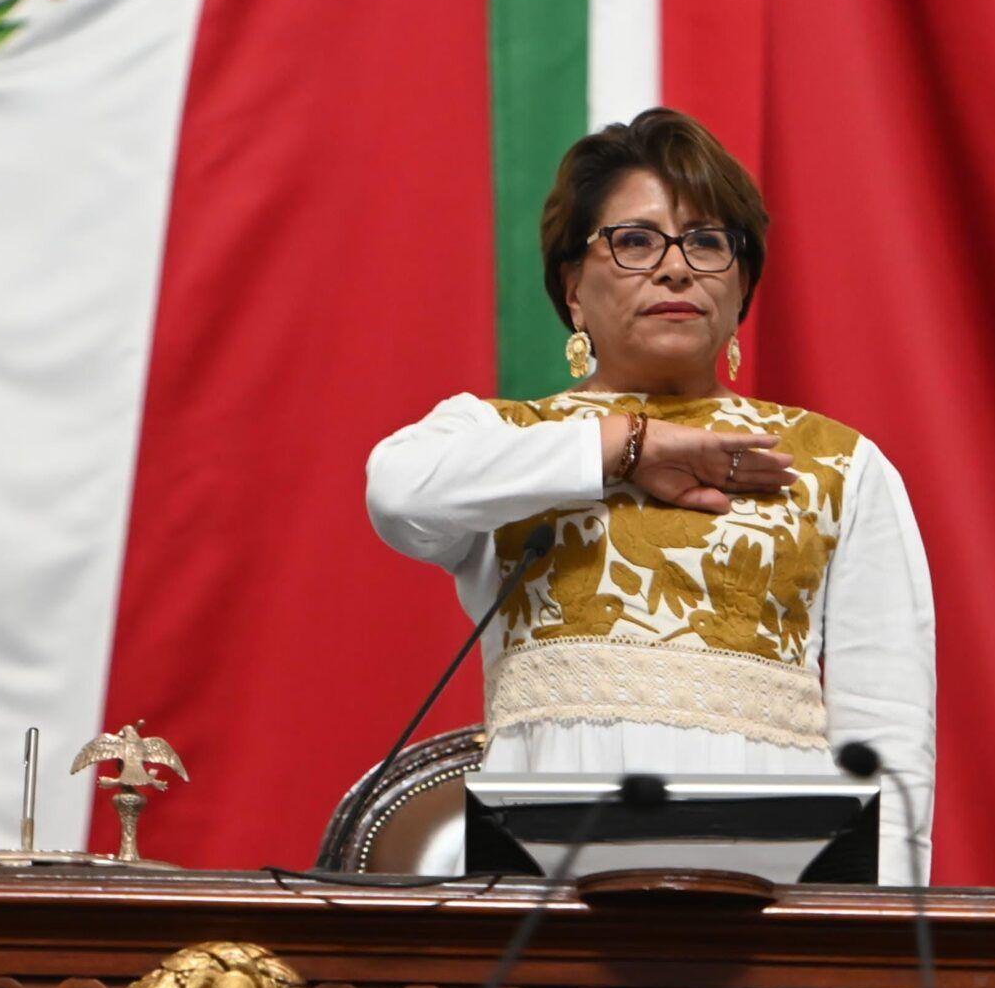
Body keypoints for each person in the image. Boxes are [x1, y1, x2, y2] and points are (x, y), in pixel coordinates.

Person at [366, 108, 937, 883]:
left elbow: (889, 737)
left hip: (776, 912)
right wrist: (623, 445)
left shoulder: (837, 463)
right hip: (539, 900)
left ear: (741, 289)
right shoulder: (508, 440)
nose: (676, 268)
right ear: (573, 287)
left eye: (707, 241)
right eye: (635, 241)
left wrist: (881, 944)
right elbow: (396, 493)